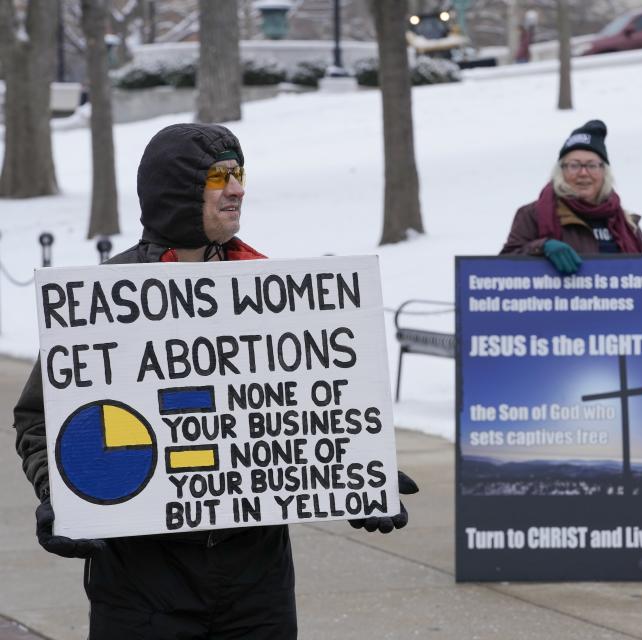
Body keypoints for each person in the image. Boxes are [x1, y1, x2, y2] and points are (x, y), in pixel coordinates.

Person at [13, 123, 417, 639]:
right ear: (178, 191)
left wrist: (359, 472)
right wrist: (60, 496)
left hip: (257, 582)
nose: (238, 188)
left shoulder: (273, 291)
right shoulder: (104, 303)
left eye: (239, 173)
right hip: (142, 581)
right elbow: (40, 417)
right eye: (219, 176)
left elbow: (305, 406)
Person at [500, 119, 642, 270]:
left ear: (604, 172)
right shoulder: (532, 215)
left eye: (592, 165)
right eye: (574, 165)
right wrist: (541, 247)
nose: (583, 173)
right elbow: (502, 268)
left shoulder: (627, 223)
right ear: (561, 171)